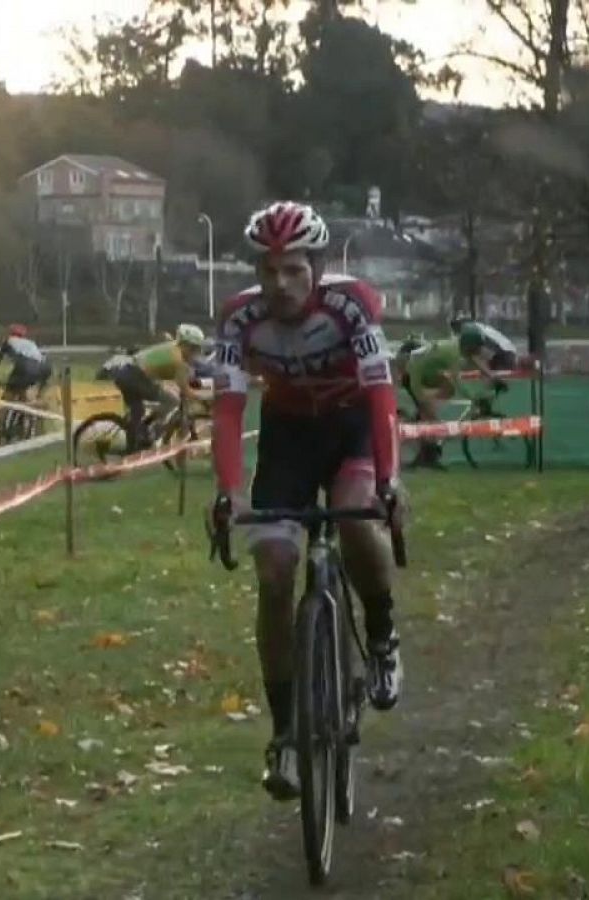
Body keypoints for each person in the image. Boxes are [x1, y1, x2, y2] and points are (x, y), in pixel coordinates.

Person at [208, 201, 404, 801]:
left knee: (355, 523)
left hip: (351, 429)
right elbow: (228, 408)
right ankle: (286, 733)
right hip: (289, 438)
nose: (280, 284)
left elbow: (380, 395)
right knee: (273, 572)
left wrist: (390, 480)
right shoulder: (239, 319)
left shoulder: (353, 305)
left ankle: (381, 638)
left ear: (315, 266)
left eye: (293, 270)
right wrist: (227, 492)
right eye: (268, 271)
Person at [105, 325, 210, 450]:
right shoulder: (178, 360)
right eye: (194, 348)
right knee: (172, 400)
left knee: (138, 412)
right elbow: (185, 389)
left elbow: (186, 380)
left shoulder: (175, 350)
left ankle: (135, 442)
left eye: (198, 348)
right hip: (132, 374)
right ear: (184, 345)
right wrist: (204, 399)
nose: (196, 352)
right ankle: (148, 434)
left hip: (130, 372)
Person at [397, 334, 468, 469]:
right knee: (430, 416)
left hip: (418, 379)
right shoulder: (417, 362)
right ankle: (427, 454)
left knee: (431, 414)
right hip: (414, 381)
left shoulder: (427, 358)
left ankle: (428, 453)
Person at [0, 324, 51, 403]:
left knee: (9, 393)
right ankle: (32, 407)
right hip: (45, 369)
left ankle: (5, 412)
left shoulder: (9, 341)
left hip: (26, 367)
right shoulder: (30, 342)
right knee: (21, 388)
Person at [450, 313, 520, 388]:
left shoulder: (469, 330)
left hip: (503, 355)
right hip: (505, 352)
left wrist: (489, 375)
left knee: (496, 384)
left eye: (456, 326)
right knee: (493, 384)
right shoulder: (477, 327)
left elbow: (474, 356)